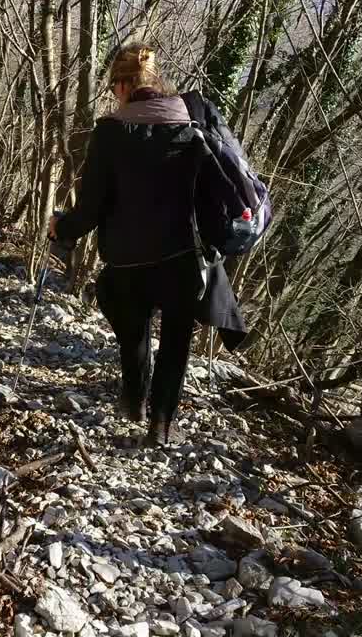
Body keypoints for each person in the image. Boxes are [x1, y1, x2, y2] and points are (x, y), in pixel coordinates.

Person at [50, 43, 247, 447]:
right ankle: (162, 424)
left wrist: (63, 228)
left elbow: (91, 208)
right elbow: (213, 194)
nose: (114, 96)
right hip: (181, 258)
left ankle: (133, 401)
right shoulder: (191, 128)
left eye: (113, 88)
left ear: (122, 84)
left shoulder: (110, 132)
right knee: (176, 342)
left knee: (133, 330)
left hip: (127, 260)